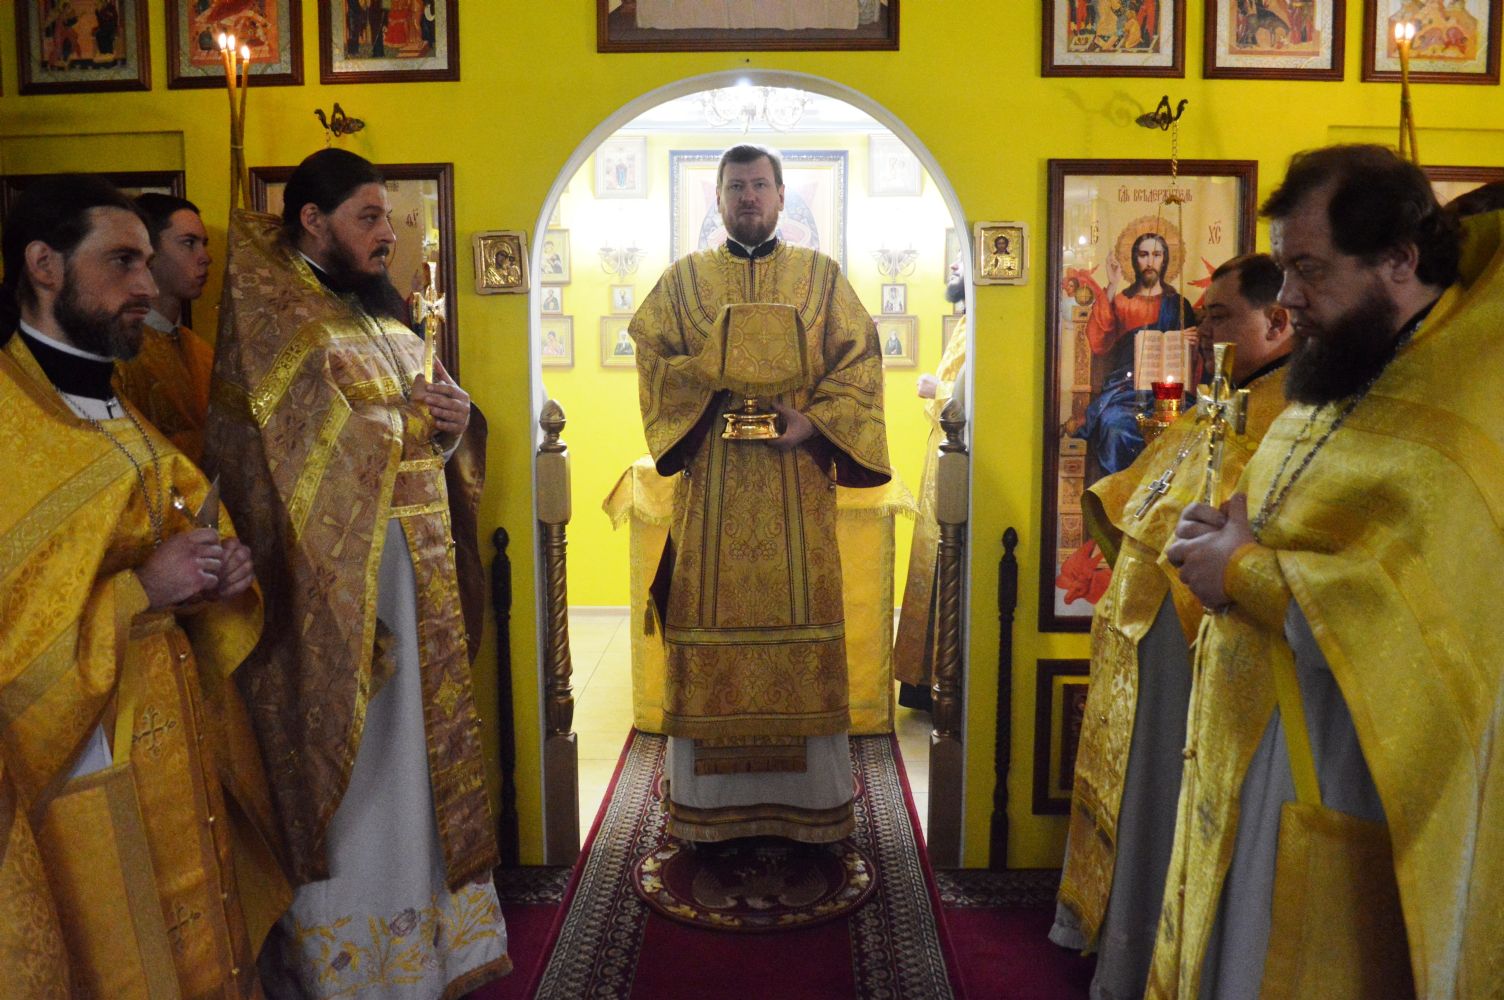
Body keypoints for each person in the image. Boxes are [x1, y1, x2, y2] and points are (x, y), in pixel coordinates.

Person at [1154, 144, 1503, 997]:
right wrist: (1223, 536)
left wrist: (1242, 572)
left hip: (1348, 769)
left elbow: (1410, 617)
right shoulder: (1352, 364)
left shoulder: (1464, 402)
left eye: (1309, 269)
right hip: (1254, 754)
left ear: (1399, 259)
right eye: (1283, 270)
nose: (1289, 298)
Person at [203, 148, 509, 997]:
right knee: (366, 778)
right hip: (341, 603)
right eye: (369, 218)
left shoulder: (381, 318)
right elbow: (286, 460)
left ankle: (427, 952)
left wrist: (456, 422)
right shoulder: (282, 324)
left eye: (389, 219)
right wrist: (404, 435)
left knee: (420, 767)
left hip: (420, 592)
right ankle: (357, 973)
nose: (387, 235)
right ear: (313, 220)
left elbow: (434, 432)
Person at [0, 174, 288, 997]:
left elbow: (165, 530)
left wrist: (216, 574)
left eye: (145, 261)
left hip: (172, 730)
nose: (146, 283)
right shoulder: (12, 422)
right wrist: (143, 590)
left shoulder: (112, 401)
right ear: (45, 265)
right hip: (78, 765)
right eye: (122, 261)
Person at [629, 143, 890, 843]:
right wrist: (709, 374)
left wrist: (813, 423)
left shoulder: (822, 277)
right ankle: (708, 810)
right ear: (717, 200)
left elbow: (860, 363)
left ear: (779, 196)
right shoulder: (682, 282)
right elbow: (653, 356)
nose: (748, 197)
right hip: (711, 491)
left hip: (795, 488)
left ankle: (810, 805)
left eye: (759, 185)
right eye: (735, 186)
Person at [1050, 254, 1294, 999]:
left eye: (1218, 316)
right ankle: (1120, 947)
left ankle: (1146, 963)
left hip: (1197, 650)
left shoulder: (1287, 419)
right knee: (1139, 798)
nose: (1200, 331)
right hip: (1147, 638)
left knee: (1164, 804)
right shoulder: (1220, 402)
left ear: (1277, 321)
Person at [894, 263, 969, 710]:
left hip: (960, 460)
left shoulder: (985, 322)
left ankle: (941, 684)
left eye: (961, 259)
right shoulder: (967, 321)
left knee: (947, 557)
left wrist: (937, 387)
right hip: (943, 456)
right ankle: (925, 681)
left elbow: (980, 393)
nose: (955, 265)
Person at [1078, 230, 1199, 475]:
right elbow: (1099, 341)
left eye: (1156, 255)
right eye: (1144, 255)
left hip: (1170, 394)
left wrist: (1190, 342)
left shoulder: (1178, 304)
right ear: (1135, 260)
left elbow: (1195, 360)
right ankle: (1116, 492)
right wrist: (1113, 285)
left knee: (1187, 426)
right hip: (1126, 390)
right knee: (1114, 426)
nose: (1150, 262)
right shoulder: (1122, 302)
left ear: (1165, 260)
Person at [112, 192, 216, 464]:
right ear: (149, 252)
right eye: (189, 243)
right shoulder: (119, 354)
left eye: (204, 244)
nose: (205, 257)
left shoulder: (202, 352)